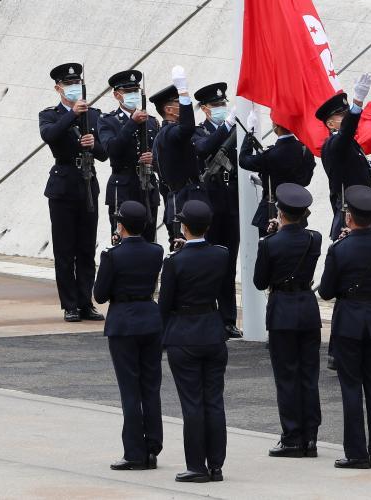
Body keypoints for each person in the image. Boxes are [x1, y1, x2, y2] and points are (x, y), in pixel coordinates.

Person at [317, 185, 371, 470]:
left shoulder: (339, 248)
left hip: (349, 320)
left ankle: (356, 452)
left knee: (351, 387)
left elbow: (326, 291)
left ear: (349, 217)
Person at [158, 200, 229, 483]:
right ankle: (216, 465)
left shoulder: (174, 262)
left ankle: (196, 466)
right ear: (208, 227)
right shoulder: (220, 255)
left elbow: (164, 305)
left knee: (192, 404)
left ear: (184, 227)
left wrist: (161, 339)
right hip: (212, 332)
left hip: (184, 334)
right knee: (214, 401)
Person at [93, 200, 165, 471]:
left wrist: (115, 248)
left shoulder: (112, 255)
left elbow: (100, 295)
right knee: (150, 387)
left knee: (130, 390)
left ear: (120, 225)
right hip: (150, 318)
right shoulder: (156, 251)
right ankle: (152, 447)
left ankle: (134, 451)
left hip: (123, 322)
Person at [252, 183, 323, 458]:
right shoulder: (314, 239)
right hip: (306, 308)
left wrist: (271, 238)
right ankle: (311, 436)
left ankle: (292, 436)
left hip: (281, 311)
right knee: (309, 375)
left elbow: (260, 281)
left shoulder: (270, 243)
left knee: (287, 377)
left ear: (280, 213)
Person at [39, 63, 107, 323]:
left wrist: (94, 144)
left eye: (77, 83)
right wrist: (72, 115)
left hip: (87, 182)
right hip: (63, 185)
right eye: (68, 84)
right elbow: (50, 136)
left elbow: (104, 153)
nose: (74, 88)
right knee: (65, 249)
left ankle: (85, 300)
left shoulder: (94, 114)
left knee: (86, 248)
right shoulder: (51, 115)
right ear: (59, 88)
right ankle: (69, 304)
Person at [192, 82, 242, 338]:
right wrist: (225, 128)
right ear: (204, 109)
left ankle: (228, 318)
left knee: (229, 263)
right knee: (209, 264)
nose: (221, 108)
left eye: (224, 104)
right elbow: (202, 148)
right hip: (209, 206)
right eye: (216, 105)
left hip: (231, 205)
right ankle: (209, 315)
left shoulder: (236, 131)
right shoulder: (199, 131)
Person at [99, 70, 161, 242]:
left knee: (148, 239)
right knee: (121, 239)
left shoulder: (152, 121)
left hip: (147, 186)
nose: (133, 95)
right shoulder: (108, 120)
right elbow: (111, 149)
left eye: (136, 91)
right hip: (123, 187)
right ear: (117, 95)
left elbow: (161, 157)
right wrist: (132, 122)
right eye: (128, 92)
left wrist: (153, 160)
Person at [150, 67, 209, 247]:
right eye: (179, 102)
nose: (183, 104)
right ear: (169, 109)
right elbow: (187, 128)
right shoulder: (169, 133)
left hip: (187, 197)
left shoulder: (168, 133)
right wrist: (183, 91)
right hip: (183, 201)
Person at [317, 74, 371, 239]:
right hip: (352, 214)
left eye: (347, 115)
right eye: (342, 116)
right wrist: (357, 103)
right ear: (330, 124)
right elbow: (345, 133)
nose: (347, 119)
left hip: (365, 209)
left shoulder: (349, 143)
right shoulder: (333, 146)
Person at [238, 108, 315, 232]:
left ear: (275, 125)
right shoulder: (305, 150)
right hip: (297, 209)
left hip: (273, 210)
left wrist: (250, 132)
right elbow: (305, 181)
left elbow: (243, 160)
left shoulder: (270, 155)